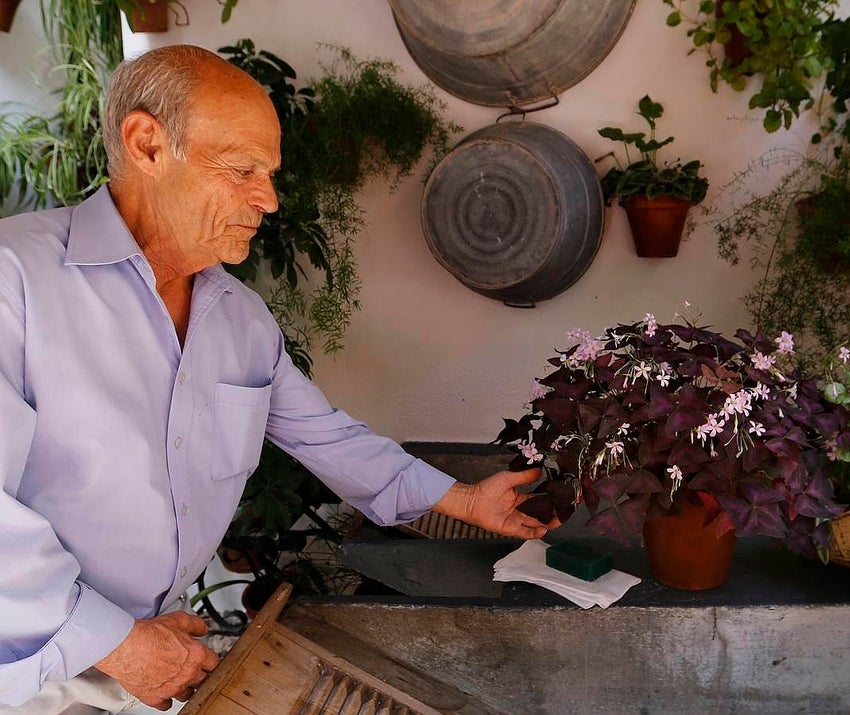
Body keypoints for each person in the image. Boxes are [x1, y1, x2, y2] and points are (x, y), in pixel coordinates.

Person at [0, 44, 555, 714]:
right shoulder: (17, 280)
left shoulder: (239, 319)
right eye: (242, 169)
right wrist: (116, 644)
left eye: (268, 173)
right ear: (147, 144)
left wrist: (464, 501)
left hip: (150, 661)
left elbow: (329, 438)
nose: (267, 198)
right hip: (28, 671)